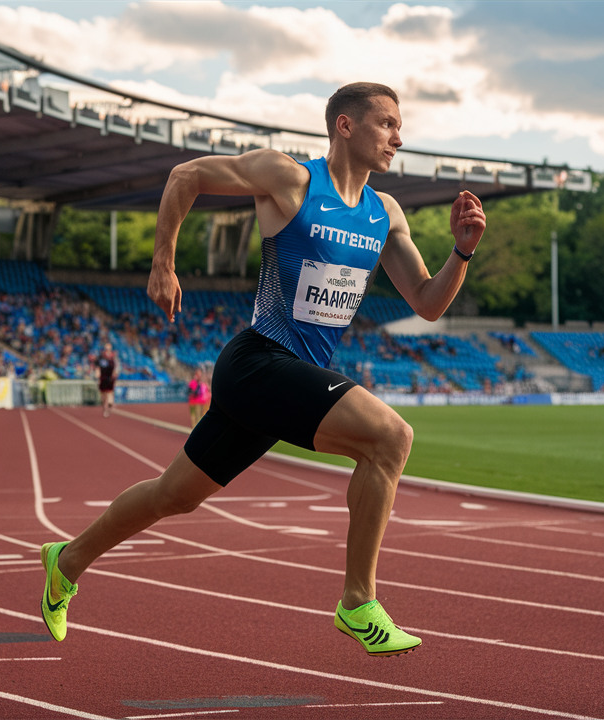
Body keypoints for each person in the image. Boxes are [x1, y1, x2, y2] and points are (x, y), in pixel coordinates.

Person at [39, 82, 486, 657]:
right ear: (344, 126)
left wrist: (462, 252)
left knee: (173, 495)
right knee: (389, 439)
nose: (399, 137)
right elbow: (185, 175)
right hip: (258, 360)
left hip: (285, 381)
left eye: (400, 126)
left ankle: (66, 561)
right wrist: (162, 262)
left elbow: (427, 302)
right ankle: (358, 603)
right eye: (387, 124)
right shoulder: (291, 179)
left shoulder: (386, 213)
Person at [91, 344, 117, 417]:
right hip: (103, 379)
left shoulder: (113, 359)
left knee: (109, 393)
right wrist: (97, 374)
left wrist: (114, 375)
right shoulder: (100, 359)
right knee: (103, 396)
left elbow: (115, 369)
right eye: (106, 349)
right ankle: (105, 409)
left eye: (109, 349)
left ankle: (109, 404)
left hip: (110, 379)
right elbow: (97, 368)